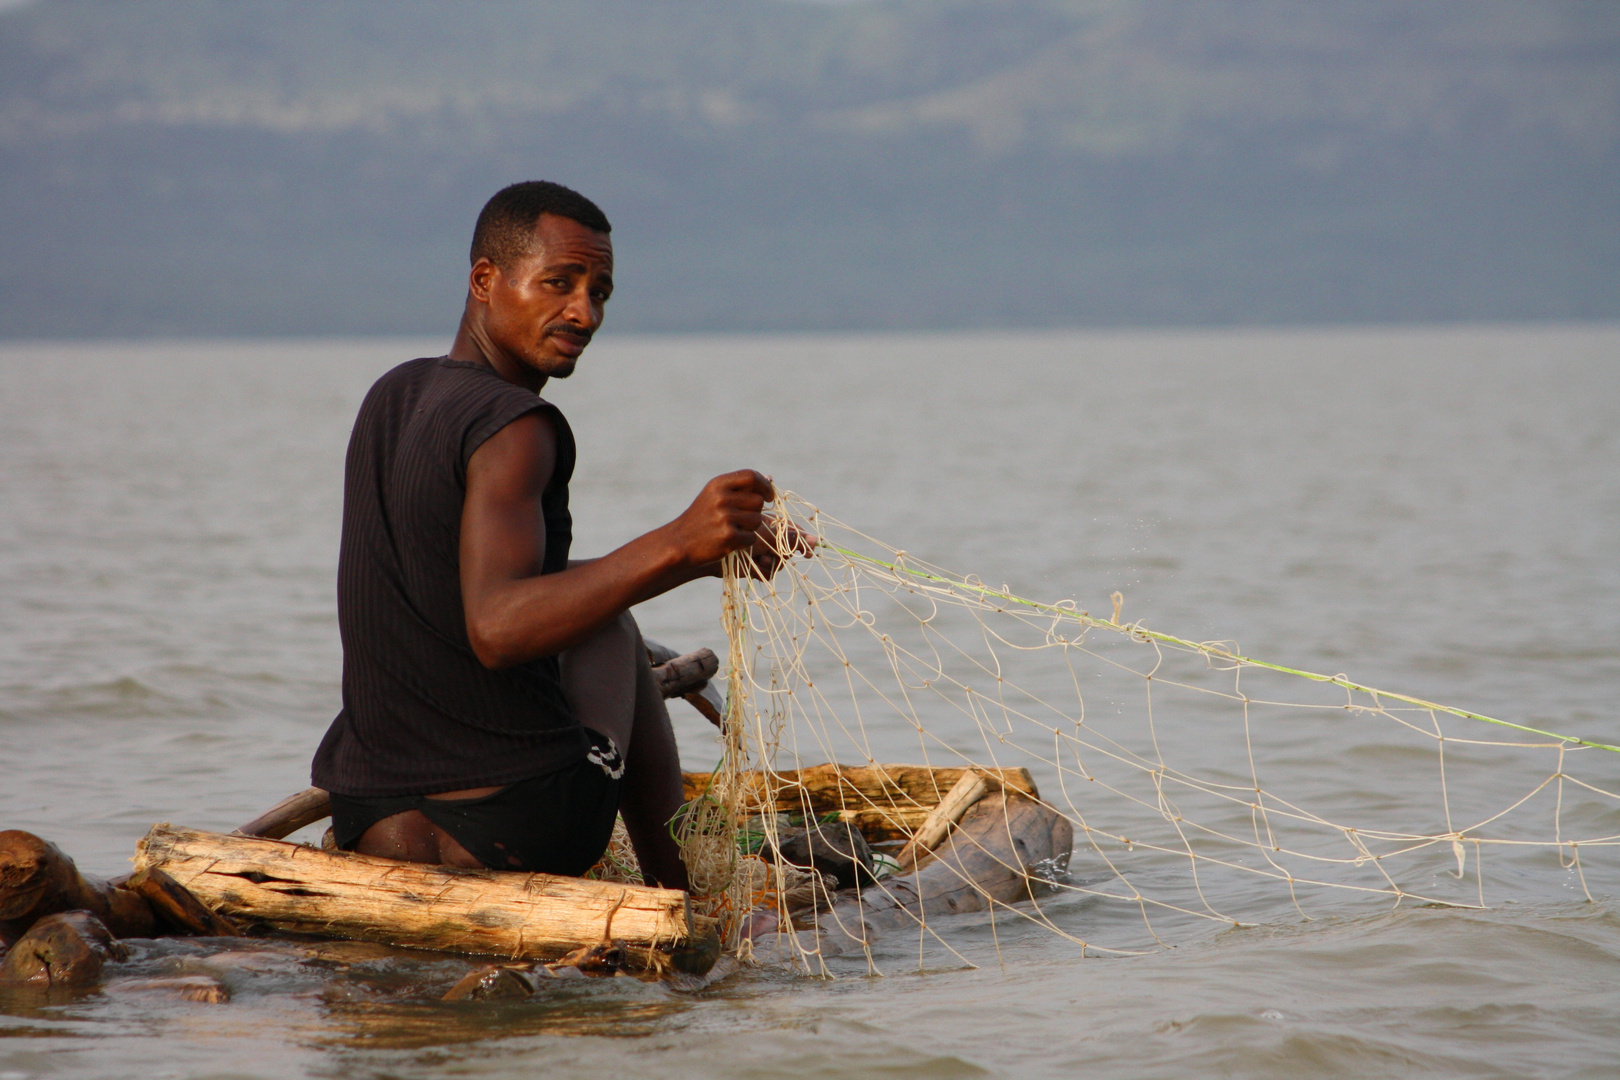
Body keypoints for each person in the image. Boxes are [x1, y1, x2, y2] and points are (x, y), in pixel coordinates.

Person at [310, 181, 796, 890]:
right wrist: (677, 540)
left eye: (599, 291)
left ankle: (682, 894)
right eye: (559, 284)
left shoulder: (393, 394)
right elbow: (499, 628)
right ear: (486, 281)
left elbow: (473, 587)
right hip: (514, 826)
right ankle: (683, 898)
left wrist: (699, 560)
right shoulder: (518, 426)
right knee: (610, 627)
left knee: (593, 604)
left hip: (375, 825)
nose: (584, 312)